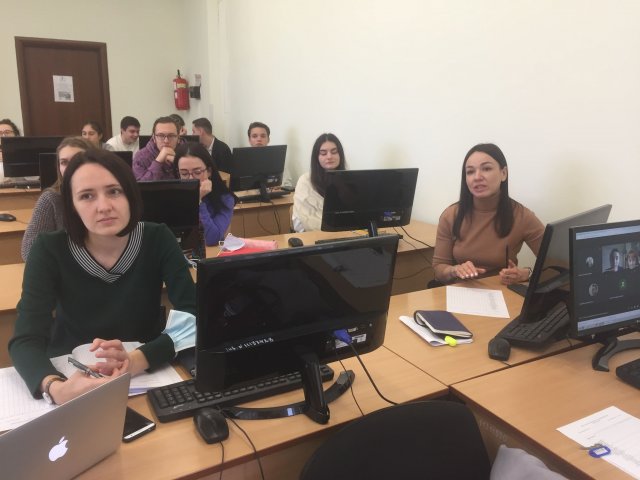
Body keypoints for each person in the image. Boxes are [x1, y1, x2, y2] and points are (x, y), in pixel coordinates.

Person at [9, 149, 196, 404]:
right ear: (72, 206)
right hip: (69, 372)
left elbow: (192, 314)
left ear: (130, 195)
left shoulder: (158, 238)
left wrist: (136, 360)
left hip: (146, 373)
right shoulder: (49, 248)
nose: (104, 206)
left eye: (114, 191)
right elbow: (25, 339)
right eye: (86, 196)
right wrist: (54, 387)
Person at [432, 143, 544, 285]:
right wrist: (454, 270)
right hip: (461, 291)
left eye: (486, 169)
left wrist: (527, 273)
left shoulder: (522, 216)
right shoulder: (451, 215)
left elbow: (556, 265)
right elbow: (438, 269)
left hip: (503, 292)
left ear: (503, 173)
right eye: (470, 172)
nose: (477, 177)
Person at [21, 136, 93, 261]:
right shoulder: (51, 199)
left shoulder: (104, 197)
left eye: (77, 160)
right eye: (64, 162)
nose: (70, 167)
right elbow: (29, 251)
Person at [173, 142, 236, 246]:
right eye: (184, 173)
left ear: (209, 171)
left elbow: (212, 239)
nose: (191, 178)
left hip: (208, 253)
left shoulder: (225, 198)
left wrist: (198, 201)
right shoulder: (173, 196)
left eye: (197, 172)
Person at [292, 133, 346, 232]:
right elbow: (307, 220)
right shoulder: (305, 181)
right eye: (323, 153)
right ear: (316, 157)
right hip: (314, 236)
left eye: (334, 152)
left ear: (340, 155)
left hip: (347, 234)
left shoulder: (348, 179)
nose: (329, 156)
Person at [133, 116, 182, 181]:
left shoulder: (187, 153)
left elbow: (192, 182)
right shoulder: (141, 156)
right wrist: (158, 162)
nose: (166, 141)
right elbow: (140, 185)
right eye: (161, 135)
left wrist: (178, 163)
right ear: (154, 138)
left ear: (178, 138)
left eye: (171, 136)